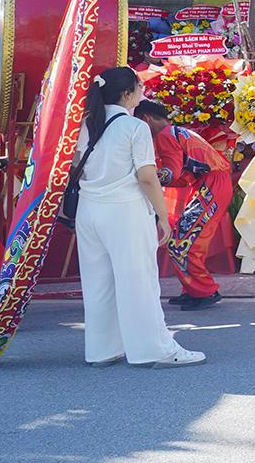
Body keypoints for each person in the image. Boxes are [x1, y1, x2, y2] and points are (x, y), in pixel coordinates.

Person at [73, 68, 205, 367]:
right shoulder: (134, 128)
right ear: (126, 94)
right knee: (139, 281)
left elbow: (75, 166)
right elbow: (147, 176)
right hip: (124, 212)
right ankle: (154, 349)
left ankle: (102, 349)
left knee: (98, 282)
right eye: (139, 85)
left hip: (89, 210)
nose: (142, 89)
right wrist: (162, 215)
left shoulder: (86, 124)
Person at [135, 99, 231, 311]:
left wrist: (144, 176)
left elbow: (172, 172)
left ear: (145, 119)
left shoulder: (165, 136)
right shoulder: (175, 131)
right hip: (212, 184)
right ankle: (192, 289)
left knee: (180, 242)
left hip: (212, 186)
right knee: (184, 239)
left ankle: (205, 291)